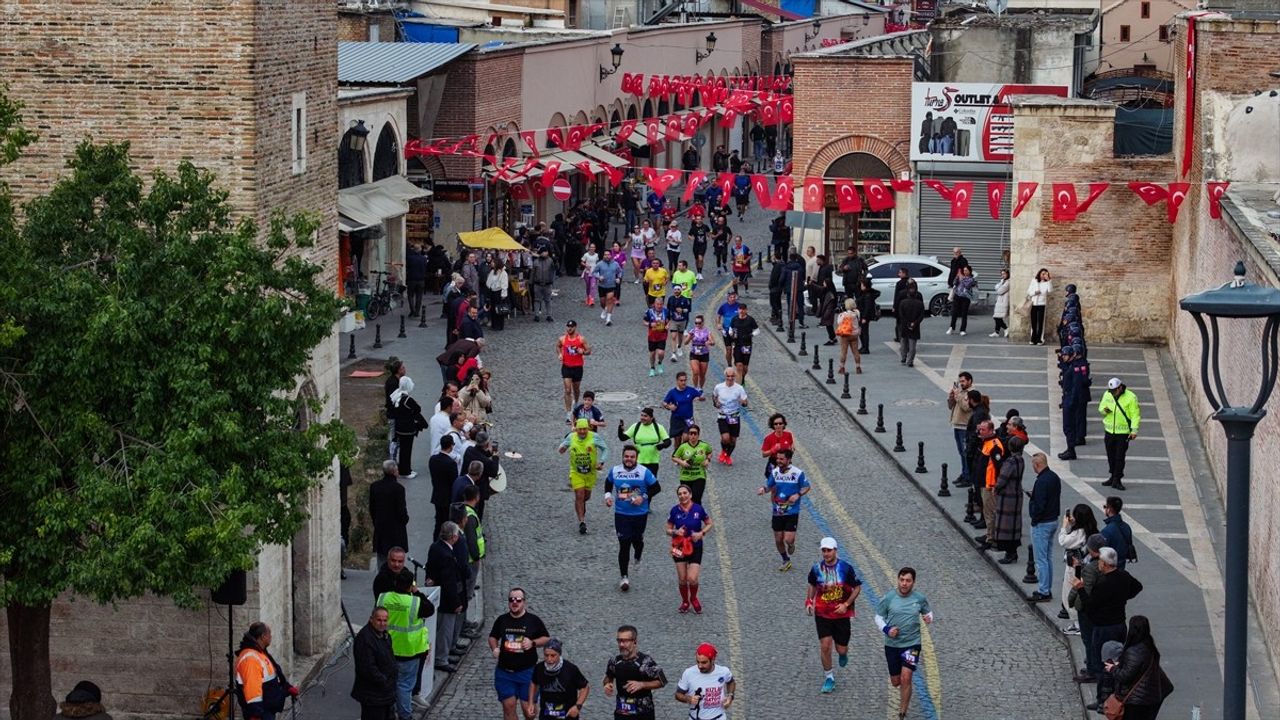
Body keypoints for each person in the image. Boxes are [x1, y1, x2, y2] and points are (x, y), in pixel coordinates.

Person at [1073, 547, 1144, 708]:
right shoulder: (1124, 577)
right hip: (1120, 625)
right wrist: (1123, 596)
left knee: (1102, 664)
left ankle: (1102, 700)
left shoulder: (1103, 584)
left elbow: (1090, 606)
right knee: (1118, 661)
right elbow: (1137, 587)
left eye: (1100, 562)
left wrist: (1080, 589)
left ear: (1104, 564)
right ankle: (1116, 695)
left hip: (1104, 628)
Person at [876, 568, 934, 720]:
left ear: (913, 582)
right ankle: (901, 697)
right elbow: (878, 617)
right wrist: (887, 630)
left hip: (912, 644)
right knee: (896, 681)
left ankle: (903, 711)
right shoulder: (889, 598)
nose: (904, 583)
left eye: (908, 580)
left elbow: (928, 612)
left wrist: (929, 618)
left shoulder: (919, 599)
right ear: (898, 580)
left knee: (906, 677)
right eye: (902, 580)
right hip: (892, 645)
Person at [806, 537, 862, 694]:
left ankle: (843, 654)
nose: (826, 553)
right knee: (825, 646)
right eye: (823, 550)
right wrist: (809, 601)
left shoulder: (846, 568)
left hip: (841, 615)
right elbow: (812, 584)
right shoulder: (816, 569)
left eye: (829, 550)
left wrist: (846, 605)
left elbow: (857, 588)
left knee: (841, 649)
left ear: (835, 551)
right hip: (823, 613)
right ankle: (829, 677)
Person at [489, 587, 551, 720]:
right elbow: (492, 637)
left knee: (529, 712)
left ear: (524, 602)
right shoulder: (502, 620)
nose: (514, 602)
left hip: (527, 672)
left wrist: (532, 643)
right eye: (511, 600)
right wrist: (495, 648)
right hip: (505, 672)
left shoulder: (533, 620)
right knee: (509, 706)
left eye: (518, 600)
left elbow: (546, 638)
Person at [605, 446, 661, 591]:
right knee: (624, 543)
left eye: (632, 457)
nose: (629, 459)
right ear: (623, 457)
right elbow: (608, 482)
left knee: (637, 540)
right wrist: (608, 496)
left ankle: (638, 554)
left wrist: (643, 498)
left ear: (636, 458)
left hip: (639, 514)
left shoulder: (644, 472)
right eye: (626, 456)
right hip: (621, 514)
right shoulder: (615, 470)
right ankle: (624, 577)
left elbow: (656, 487)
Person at [1104, 616, 1174, 719]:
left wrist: (1113, 669)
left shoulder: (1134, 651)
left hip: (1137, 700)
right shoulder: (1149, 645)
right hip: (1150, 696)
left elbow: (1125, 676)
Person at [757, 448, 810, 572]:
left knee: (787, 539)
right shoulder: (775, 472)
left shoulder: (798, 473)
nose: (779, 461)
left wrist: (798, 495)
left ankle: (791, 545)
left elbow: (807, 487)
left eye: (782, 459)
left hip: (792, 511)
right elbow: (769, 486)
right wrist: (763, 490)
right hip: (778, 511)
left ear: (789, 459)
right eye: (778, 458)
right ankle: (786, 560)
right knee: (778, 539)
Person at [666, 483, 713, 614]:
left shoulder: (699, 509)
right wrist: (675, 532)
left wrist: (701, 533)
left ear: (690, 494)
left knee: (691, 578)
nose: (682, 496)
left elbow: (709, 523)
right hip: (679, 546)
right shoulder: (674, 510)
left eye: (685, 493)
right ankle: (685, 601)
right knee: (682, 578)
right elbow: (667, 529)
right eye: (680, 494)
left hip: (695, 546)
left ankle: (693, 597)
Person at [426, 522, 467, 673]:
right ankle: (441, 658)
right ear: (454, 537)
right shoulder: (447, 555)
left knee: (441, 628)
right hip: (447, 600)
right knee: (445, 630)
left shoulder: (435, 547)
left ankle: (441, 656)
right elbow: (449, 582)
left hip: (438, 595)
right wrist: (456, 602)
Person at [604, 625, 668, 720]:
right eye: (619, 640)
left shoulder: (646, 662)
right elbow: (608, 677)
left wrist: (642, 684)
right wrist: (607, 684)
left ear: (634, 641)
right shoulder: (614, 662)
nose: (621, 644)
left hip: (643, 714)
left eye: (625, 641)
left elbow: (663, 681)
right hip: (621, 713)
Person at [236, 623, 298, 720]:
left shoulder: (260, 653)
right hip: (261, 713)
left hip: (266, 710)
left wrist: (287, 688)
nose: (271, 637)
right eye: (269, 634)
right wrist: (256, 714)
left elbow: (270, 680)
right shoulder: (251, 659)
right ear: (262, 636)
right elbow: (252, 690)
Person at [559, 418, 609, 535]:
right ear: (576, 429)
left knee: (586, 497)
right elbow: (561, 448)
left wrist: (601, 462)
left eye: (584, 429)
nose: (582, 432)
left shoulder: (594, 437)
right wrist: (562, 448)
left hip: (590, 473)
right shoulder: (571, 437)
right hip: (576, 472)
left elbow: (605, 449)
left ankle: (580, 503)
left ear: (588, 428)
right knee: (579, 495)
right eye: (580, 429)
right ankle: (582, 522)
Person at [1026, 453, 1062, 602]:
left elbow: (1040, 505)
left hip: (1042, 523)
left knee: (1041, 560)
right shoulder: (1054, 477)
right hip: (1053, 519)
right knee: (1047, 558)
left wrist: (1034, 519)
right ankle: (1046, 588)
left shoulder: (1041, 481)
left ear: (1037, 465)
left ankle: (1044, 590)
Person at [352, 607, 398, 720]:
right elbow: (368, 668)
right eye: (379, 620)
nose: (382, 623)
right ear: (371, 619)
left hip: (384, 693)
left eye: (385, 620)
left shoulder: (384, 635)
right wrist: (384, 681)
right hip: (374, 695)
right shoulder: (365, 639)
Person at [526, 639, 590, 720]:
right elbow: (533, 683)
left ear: (559, 654)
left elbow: (585, 687)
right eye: (546, 655)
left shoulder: (570, 669)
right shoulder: (539, 668)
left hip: (567, 715)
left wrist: (577, 706)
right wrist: (531, 702)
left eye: (553, 655)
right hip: (546, 714)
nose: (549, 659)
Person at [1059, 506, 1100, 627]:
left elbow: (1063, 541)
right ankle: (1077, 623)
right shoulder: (1090, 530)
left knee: (1069, 595)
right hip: (1085, 566)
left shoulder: (1079, 532)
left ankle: (1077, 624)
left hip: (1074, 568)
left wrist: (1064, 526)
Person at [1099, 377, 1140, 491]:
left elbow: (1135, 415)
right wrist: (1105, 410)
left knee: (1119, 457)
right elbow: (1101, 407)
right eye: (1111, 391)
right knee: (1110, 455)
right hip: (1109, 430)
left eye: (1115, 391)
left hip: (1123, 432)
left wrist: (1134, 430)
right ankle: (1112, 475)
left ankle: (1117, 479)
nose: (1113, 393)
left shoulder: (1131, 397)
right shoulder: (1107, 394)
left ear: (1120, 387)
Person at [675, 643, 735, 718]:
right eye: (698, 662)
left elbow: (731, 682)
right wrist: (689, 699)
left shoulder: (724, 672)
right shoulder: (688, 673)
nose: (700, 666)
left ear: (713, 659)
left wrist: (730, 696)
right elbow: (678, 695)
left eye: (704, 662)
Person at [991, 434, 1026, 564]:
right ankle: (1012, 552)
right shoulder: (1021, 460)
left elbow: (1002, 479)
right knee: (1014, 524)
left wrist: (996, 487)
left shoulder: (1010, 462)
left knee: (1007, 525)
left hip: (1008, 497)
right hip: (1016, 495)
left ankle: (1010, 553)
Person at [369, 460, 409, 566]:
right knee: (396, 562)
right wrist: (405, 520)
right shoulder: (399, 489)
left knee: (382, 561)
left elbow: (372, 509)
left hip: (381, 530)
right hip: (396, 532)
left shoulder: (375, 487)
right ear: (395, 471)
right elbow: (401, 512)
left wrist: (376, 522)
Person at [973, 419, 1004, 548]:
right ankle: (989, 534)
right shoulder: (986, 442)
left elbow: (998, 467)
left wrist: (994, 486)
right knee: (987, 511)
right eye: (980, 429)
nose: (980, 431)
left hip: (989, 484)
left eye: (983, 430)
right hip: (984, 483)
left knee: (990, 512)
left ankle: (991, 538)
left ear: (991, 431)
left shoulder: (994, 446)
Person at [1057, 345, 1092, 461]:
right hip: (1067, 397)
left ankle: (1071, 450)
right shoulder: (1070, 365)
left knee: (1069, 426)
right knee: (1067, 426)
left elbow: (1076, 387)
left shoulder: (1075, 367)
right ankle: (1070, 448)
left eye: (1065, 355)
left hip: (1070, 399)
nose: (1063, 357)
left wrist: (1070, 402)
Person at [618, 408, 672, 482]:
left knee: (651, 483)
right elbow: (622, 438)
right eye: (641, 415)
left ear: (651, 418)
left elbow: (668, 441)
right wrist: (620, 430)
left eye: (645, 416)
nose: (642, 418)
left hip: (653, 461)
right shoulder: (636, 426)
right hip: (638, 461)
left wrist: (661, 446)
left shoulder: (658, 427)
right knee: (638, 482)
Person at [390, 377, 427, 479]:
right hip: (407, 429)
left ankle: (405, 469)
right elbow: (417, 409)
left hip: (399, 428)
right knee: (407, 450)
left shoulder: (396, 396)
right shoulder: (407, 399)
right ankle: (405, 471)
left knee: (403, 450)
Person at [712, 368, 748, 465]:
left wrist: (743, 403)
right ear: (725, 376)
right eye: (728, 376)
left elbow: (745, 402)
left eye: (732, 376)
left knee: (733, 440)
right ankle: (723, 451)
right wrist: (716, 403)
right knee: (725, 438)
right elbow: (714, 396)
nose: (730, 378)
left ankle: (728, 456)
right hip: (723, 416)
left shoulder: (739, 388)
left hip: (735, 416)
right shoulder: (719, 387)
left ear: (735, 377)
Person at [946, 372, 977, 487]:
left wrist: (958, 395)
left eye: (963, 381)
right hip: (957, 425)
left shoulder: (973, 393)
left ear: (969, 381)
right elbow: (950, 407)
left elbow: (966, 407)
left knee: (966, 453)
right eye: (960, 381)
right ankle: (964, 473)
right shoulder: (960, 391)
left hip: (965, 427)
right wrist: (951, 397)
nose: (961, 383)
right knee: (961, 453)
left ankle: (968, 476)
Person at [671, 425, 713, 506]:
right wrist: (682, 462)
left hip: (699, 475)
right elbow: (674, 457)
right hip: (685, 477)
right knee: (686, 500)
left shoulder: (704, 445)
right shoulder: (683, 447)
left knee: (696, 498)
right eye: (691, 433)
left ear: (698, 435)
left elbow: (710, 452)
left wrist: (707, 460)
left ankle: (697, 516)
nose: (693, 436)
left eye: (695, 433)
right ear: (688, 435)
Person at [557, 320, 591, 419]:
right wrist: (559, 354)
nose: (569, 328)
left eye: (571, 327)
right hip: (566, 367)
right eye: (568, 326)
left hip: (577, 367)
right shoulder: (562, 339)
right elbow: (558, 346)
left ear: (575, 327)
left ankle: (576, 402)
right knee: (567, 390)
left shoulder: (581, 339)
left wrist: (583, 352)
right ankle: (568, 413)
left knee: (576, 389)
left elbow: (589, 350)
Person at [662, 371, 704, 447]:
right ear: (677, 381)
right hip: (676, 419)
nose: (683, 382)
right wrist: (669, 406)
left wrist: (700, 398)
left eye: (685, 380)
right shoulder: (672, 392)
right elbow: (664, 403)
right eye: (681, 380)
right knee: (677, 441)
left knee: (686, 437)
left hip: (688, 419)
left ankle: (686, 454)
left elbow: (701, 396)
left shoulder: (690, 390)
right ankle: (677, 456)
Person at [1100, 496, 1135, 571]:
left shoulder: (1107, 531)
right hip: (1121, 565)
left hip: (1109, 567)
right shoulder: (1126, 527)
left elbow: (1102, 552)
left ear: (1109, 509)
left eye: (1105, 506)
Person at [728, 303, 760, 382]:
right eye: (740, 309)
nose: (741, 311)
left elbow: (757, 330)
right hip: (737, 344)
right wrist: (731, 333)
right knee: (739, 365)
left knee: (744, 367)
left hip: (746, 345)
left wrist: (751, 335)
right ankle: (739, 385)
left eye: (743, 309)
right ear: (738, 310)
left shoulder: (750, 320)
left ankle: (742, 379)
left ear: (746, 310)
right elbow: (730, 329)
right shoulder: (734, 319)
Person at [759, 412, 795, 483]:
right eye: (776, 424)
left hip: (785, 463)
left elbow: (791, 446)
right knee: (773, 485)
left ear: (784, 424)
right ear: (773, 426)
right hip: (774, 462)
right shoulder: (769, 438)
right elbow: (764, 454)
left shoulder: (788, 435)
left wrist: (791, 450)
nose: (778, 425)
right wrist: (773, 450)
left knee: (786, 483)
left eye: (780, 423)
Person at [897, 284, 926, 367]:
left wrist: (906, 322)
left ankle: (903, 357)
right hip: (915, 326)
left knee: (903, 342)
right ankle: (910, 361)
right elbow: (921, 315)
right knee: (912, 345)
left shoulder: (903, 303)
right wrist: (915, 323)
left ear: (907, 293)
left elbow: (901, 315)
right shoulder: (920, 304)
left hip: (904, 325)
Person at [592, 249, 623, 326]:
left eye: (608, 254)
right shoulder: (599, 264)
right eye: (605, 255)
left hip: (612, 285)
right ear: (603, 256)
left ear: (611, 255)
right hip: (602, 285)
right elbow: (594, 273)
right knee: (603, 302)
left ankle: (608, 319)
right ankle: (605, 309)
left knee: (610, 300)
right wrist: (599, 277)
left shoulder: (615, 264)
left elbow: (620, 271)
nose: (607, 256)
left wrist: (618, 278)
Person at [685, 314, 715, 390]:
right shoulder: (692, 331)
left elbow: (713, 342)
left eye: (699, 323)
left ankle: (700, 388)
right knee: (695, 372)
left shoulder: (707, 332)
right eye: (696, 323)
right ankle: (695, 388)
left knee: (702, 375)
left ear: (703, 323)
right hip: (694, 354)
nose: (697, 324)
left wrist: (710, 342)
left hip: (704, 354)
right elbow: (685, 342)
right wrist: (689, 338)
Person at [834, 298, 862, 374]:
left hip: (845, 335)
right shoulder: (857, 313)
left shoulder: (843, 315)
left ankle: (842, 367)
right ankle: (858, 367)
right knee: (855, 351)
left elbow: (839, 323)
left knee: (843, 351)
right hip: (854, 334)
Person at [643, 296, 670, 376]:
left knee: (661, 353)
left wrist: (668, 325)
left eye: (661, 304)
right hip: (652, 336)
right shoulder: (649, 312)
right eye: (657, 304)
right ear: (654, 304)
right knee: (652, 353)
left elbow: (669, 320)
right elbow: (644, 321)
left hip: (662, 335)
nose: (659, 306)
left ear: (663, 304)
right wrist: (650, 324)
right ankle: (652, 368)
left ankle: (660, 363)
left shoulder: (666, 311)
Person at [854, 277, 880, 354]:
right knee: (862, 332)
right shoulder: (864, 293)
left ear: (865, 286)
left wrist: (864, 317)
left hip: (864, 316)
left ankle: (865, 348)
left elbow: (867, 307)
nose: (860, 286)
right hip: (861, 315)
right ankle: (863, 346)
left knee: (864, 332)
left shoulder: (867, 295)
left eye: (862, 285)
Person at [948, 265, 976, 336]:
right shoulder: (960, 276)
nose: (965, 272)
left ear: (970, 271)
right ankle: (952, 327)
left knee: (964, 314)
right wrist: (957, 278)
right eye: (964, 270)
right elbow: (954, 283)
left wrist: (961, 277)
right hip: (957, 296)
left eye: (966, 270)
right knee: (954, 313)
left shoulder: (971, 279)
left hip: (965, 298)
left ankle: (962, 330)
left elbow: (967, 285)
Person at [1026, 268, 1052, 345]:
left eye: (1045, 274)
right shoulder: (1034, 281)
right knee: (1033, 322)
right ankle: (1033, 339)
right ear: (1039, 273)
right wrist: (1035, 292)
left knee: (1040, 322)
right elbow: (1029, 292)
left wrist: (1049, 280)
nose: (1043, 275)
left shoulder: (1047, 283)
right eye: (1042, 274)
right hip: (1033, 304)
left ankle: (1039, 339)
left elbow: (1050, 290)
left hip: (1042, 304)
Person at [715, 290, 740, 366]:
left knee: (736, 350)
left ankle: (737, 361)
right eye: (731, 297)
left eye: (734, 297)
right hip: (726, 330)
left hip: (736, 331)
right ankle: (729, 365)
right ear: (728, 298)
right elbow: (718, 315)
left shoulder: (739, 306)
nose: (733, 299)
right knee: (728, 350)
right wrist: (718, 324)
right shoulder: (723, 306)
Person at [485, 258, 510, 331]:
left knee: (499, 309)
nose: (492, 263)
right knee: (492, 309)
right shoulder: (492, 271)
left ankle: (499, 325)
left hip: (499, 293)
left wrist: (503, 295)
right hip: (493, 292)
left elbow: (504, 285)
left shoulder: (503, 273)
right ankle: (494, 325)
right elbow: (489, 282)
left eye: (493, 262)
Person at [990, 268, 1011, 337]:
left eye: (1004, 274)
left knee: (997, 317)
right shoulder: (1002, 281)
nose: (1003, 275)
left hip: (1004, 302)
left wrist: (999, 286)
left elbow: (999, 291)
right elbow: (996, 287)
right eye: (1002, 274)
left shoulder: (1008, 282)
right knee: (997, 316)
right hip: (999, 301)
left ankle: (1006, 328)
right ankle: (997, 332)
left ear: (1007, 274)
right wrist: (1000, 284)